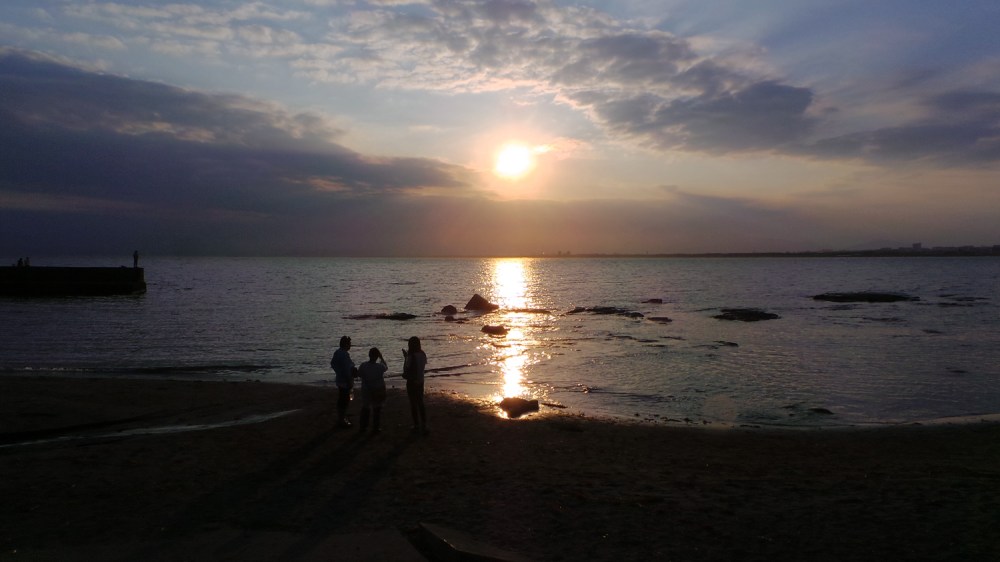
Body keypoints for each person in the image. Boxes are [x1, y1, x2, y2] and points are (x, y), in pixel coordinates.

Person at [357, 347, 388, 432]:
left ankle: (363, 426)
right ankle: (376, 427)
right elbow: (386, 367)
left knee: (366, 407)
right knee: (376, 408)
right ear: (377, 356)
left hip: (366, 389)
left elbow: (359, 374)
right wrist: (381, 357)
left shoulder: (363, 365)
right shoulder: (379, 367)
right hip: (378, 389)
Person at [402, 336, 428, 434]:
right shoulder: (422, 354)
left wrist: (405, 358)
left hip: (412, 381)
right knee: (420, 403)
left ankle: (416, 425)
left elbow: (406, 368)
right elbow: (422, 366)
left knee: (413, 404)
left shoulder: (411, 356)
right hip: (420, 380)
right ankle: (424, 423)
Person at [330, 335, 356, 428]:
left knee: (342, 399)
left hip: (340, 380)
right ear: (345, 344)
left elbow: (333, 364)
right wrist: (349, 381)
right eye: (349, 343)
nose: (350, 345)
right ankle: (342, 419)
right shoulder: (344, 354)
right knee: (344, 401)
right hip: (345, 381)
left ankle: (341, 418)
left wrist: (338, 371)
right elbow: (346, 370)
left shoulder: (337, 352)